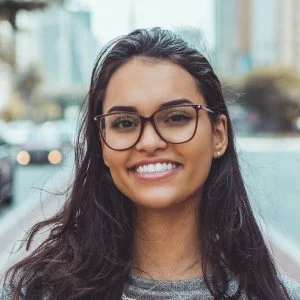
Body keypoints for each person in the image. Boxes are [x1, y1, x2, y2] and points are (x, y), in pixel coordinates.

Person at [2, 27, 300, 300]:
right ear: (103, 144)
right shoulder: (32, 292)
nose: (149, 142)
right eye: (124, 123)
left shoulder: (280, 295)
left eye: (176, 117)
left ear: (218, 135)